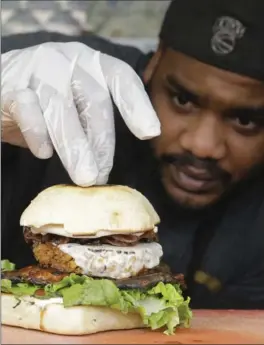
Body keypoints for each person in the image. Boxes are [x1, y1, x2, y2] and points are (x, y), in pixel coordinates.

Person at [2, 0, 264, 309]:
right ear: (155, 61)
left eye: (245, 121)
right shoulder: (54, 73)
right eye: (182, 99)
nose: (202, 145)